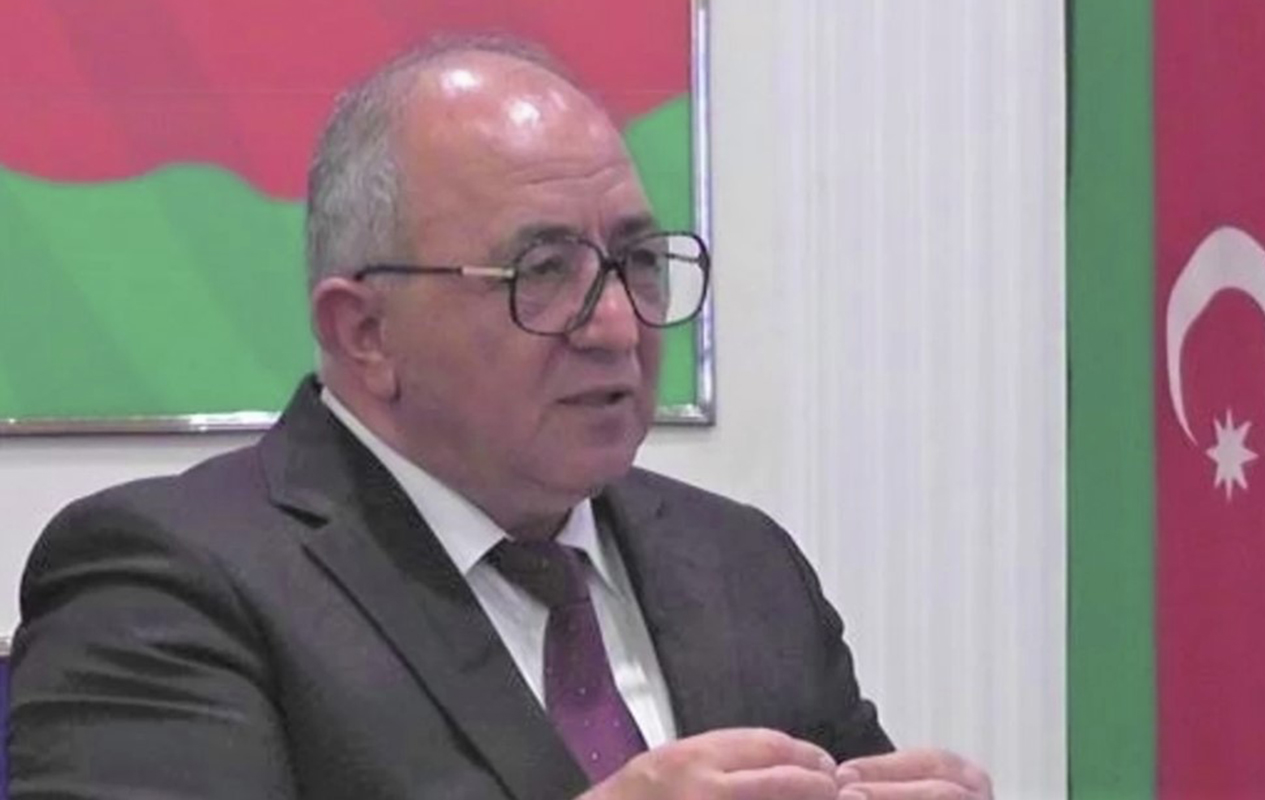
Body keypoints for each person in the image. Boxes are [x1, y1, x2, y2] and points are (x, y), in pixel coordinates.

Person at [9, 36, 992, 800]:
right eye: (543, 270)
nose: (617, 325)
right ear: (365, 332)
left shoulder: (742, 564)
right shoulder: (165, 581)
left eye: (637, 262)